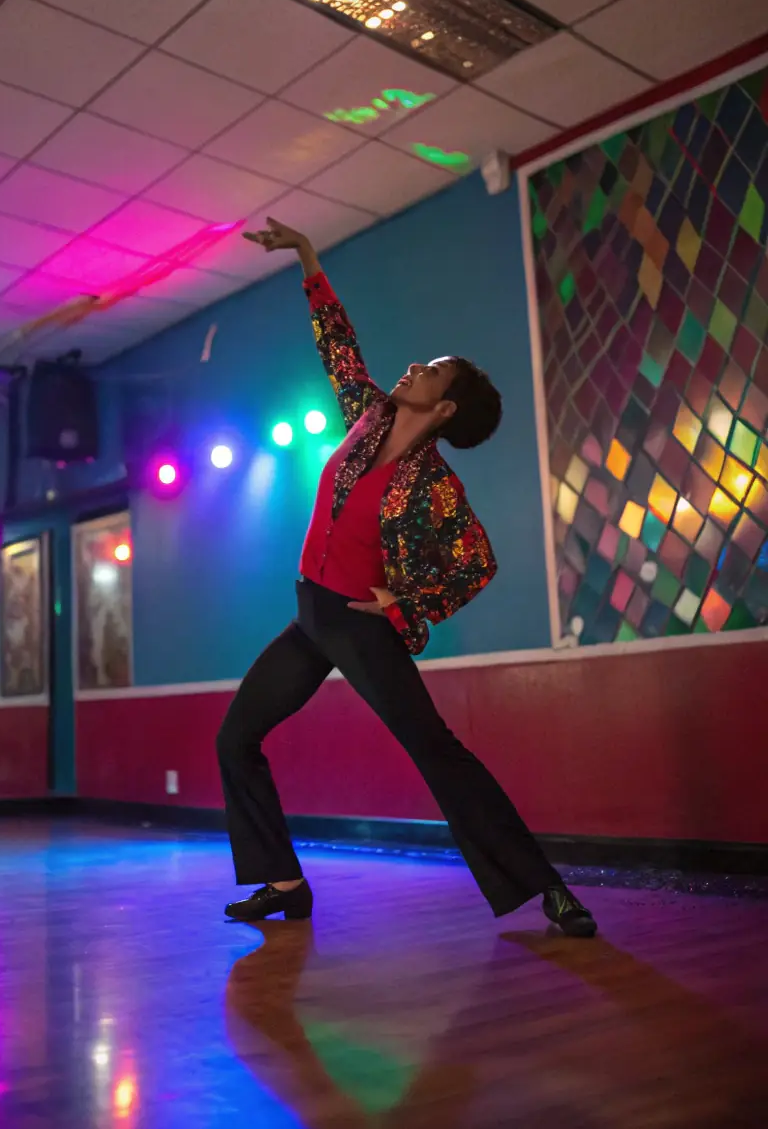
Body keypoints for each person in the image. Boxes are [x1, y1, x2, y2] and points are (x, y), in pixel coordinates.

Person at [217, 218, 596, 938]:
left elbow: (476, 561)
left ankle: (547, 886)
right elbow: (338, 343)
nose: (413, 367)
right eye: (421, 362)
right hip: (310, 614)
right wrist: (307, 256)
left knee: (437, 752)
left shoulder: (434, 486)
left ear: (444, 407)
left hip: (359, 624)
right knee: (235, 737)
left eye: (430, 371)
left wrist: (407, 599)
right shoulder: (367, 415)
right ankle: (284, 883)